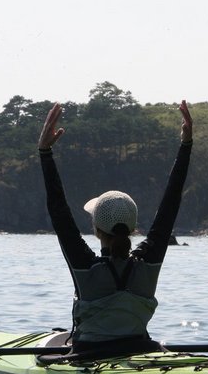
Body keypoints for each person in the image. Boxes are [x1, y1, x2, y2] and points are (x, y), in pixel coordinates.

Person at [38, 100, 193, 354]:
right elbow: (170, 204)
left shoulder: (85, 266)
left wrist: (45, 153)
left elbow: (59, 211)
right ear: (133, 229)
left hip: (89, 355)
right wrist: (186, 146)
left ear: (96, 229)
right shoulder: (148, 262)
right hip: (143, 351)